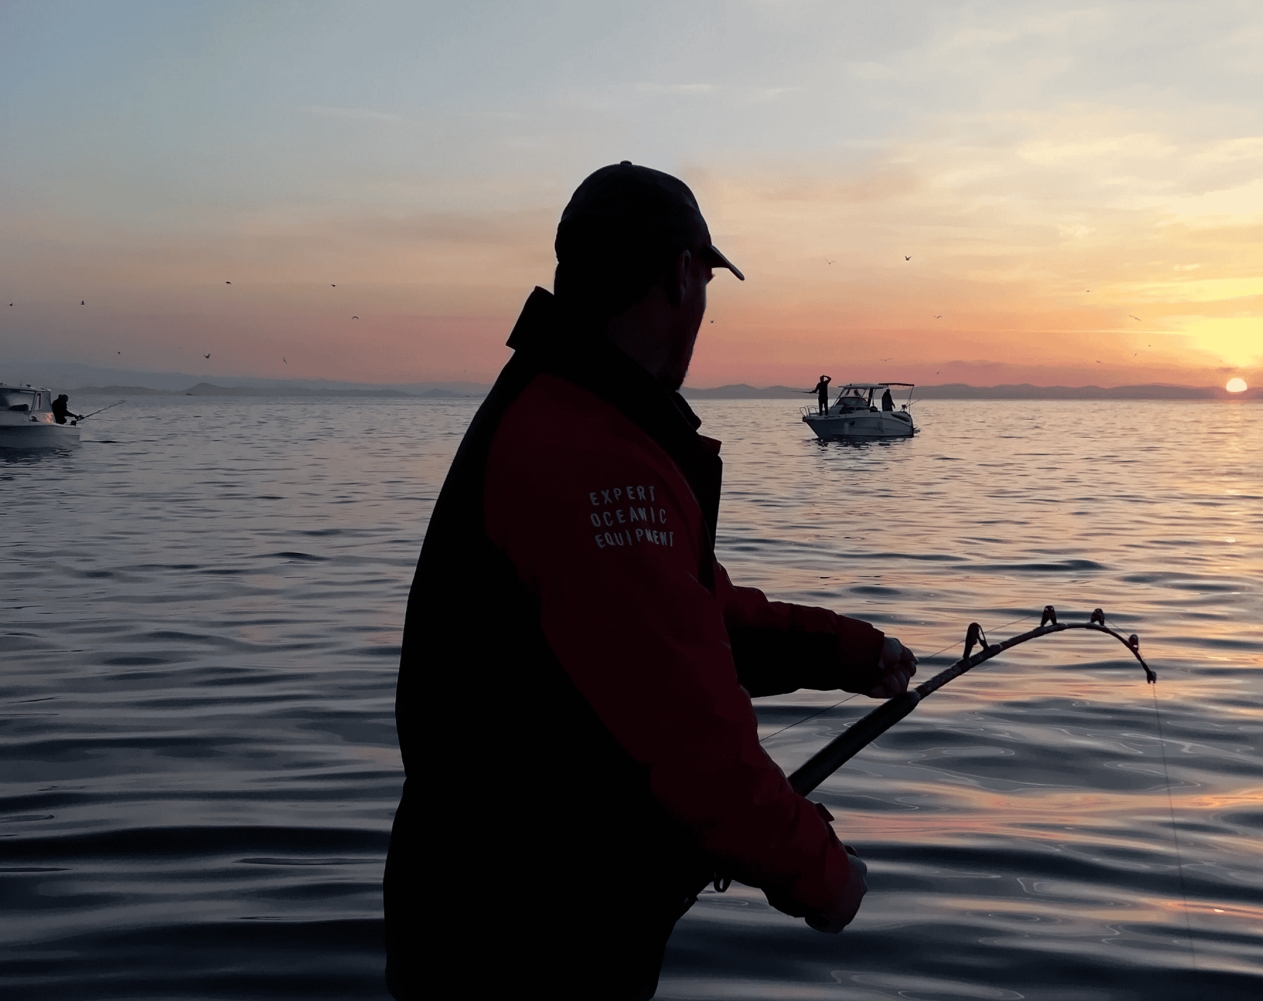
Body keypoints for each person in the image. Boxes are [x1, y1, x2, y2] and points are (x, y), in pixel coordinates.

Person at [383, 162, 917, 1001]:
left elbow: (686, 616)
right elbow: (690, 732)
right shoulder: (589, 455)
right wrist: (823, 874)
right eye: (706, 283)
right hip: (520, 944)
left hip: (504, 922)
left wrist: (847, 653)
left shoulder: (571, 416)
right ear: (681, 274)